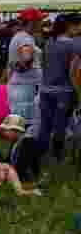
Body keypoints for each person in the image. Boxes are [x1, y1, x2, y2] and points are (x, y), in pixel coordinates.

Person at [37, 13, 80, 163]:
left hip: (45, 90)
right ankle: (57, 157)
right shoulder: (74, 44)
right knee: (60, 126)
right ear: (71, 26)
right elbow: (73, 71)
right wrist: (78, 91)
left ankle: (40, 155)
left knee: (45, 125)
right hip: (64, 91)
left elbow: (42, 64)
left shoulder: (49, 41)